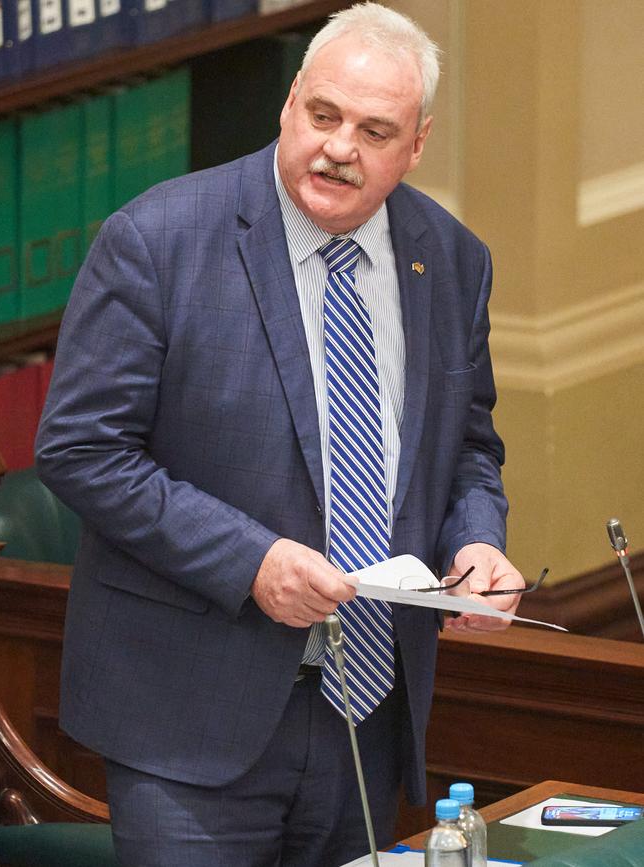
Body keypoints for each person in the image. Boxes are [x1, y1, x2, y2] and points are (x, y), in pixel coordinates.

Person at [35, 3, 525, 865]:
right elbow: (81, 448)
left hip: (365, 713)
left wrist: (479, 540)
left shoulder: (451, 259)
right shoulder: (158, 240)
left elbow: (469, 446)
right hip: (188, 717)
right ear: (289, 102)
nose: (340, 147)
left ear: (416, 146)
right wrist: (249, 560)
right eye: (324, 115)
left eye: (375, 131)